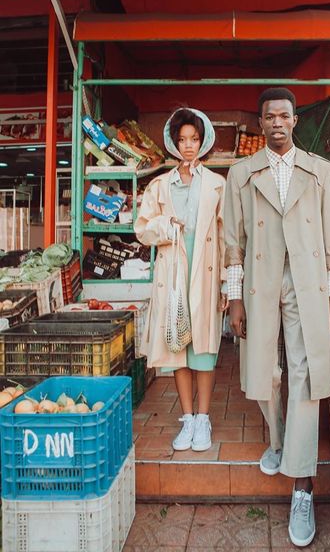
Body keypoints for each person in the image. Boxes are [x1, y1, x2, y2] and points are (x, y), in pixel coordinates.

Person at [224, 88, 330, 547]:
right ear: (260, 122)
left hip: (307, 283)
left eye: (284, 116)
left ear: (295, 122)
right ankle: (277, 440)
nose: (277, 122)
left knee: (307, 373)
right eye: (269, 116)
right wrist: (234, 299)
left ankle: (302, 486)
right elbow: (233, 241)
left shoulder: (320, 171)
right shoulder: (241, 174)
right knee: (266, 373)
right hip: (260, 281)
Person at [135, 107, 228, 453]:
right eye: (183, 140)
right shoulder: (159, 185)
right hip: (173, 276)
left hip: (205, 275)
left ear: (203, 143)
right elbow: (142, 229)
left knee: (203, 350)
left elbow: (226, 236)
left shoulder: (218, 185)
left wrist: (224, 285)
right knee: (179, 347)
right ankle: (187, 418)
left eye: (194, 139)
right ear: (173, 144)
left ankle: (203, 418)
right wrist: (165, 226)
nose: (189, 146)